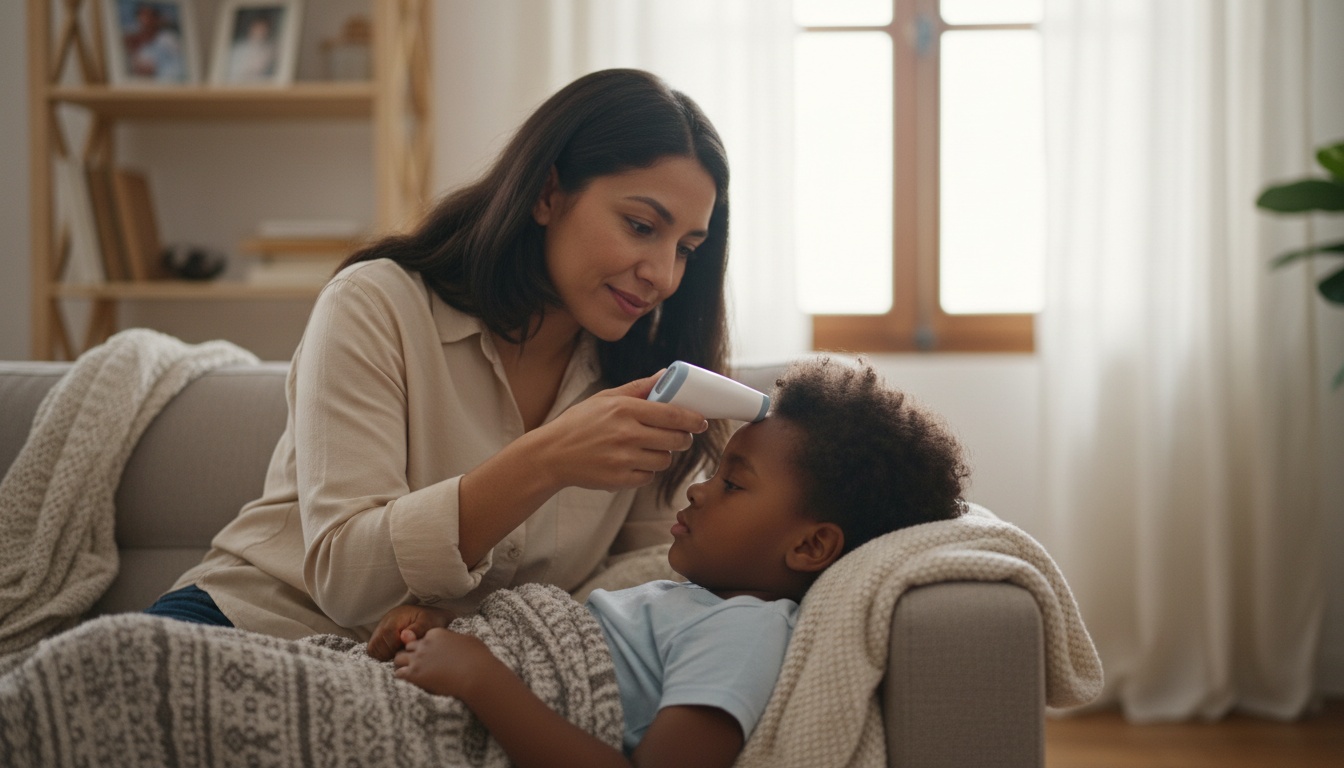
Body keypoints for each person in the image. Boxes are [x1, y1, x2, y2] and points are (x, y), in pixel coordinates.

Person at [144, 68, 734, 643]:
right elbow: (345, 580)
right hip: (256, 623)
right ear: (548, 194)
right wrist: (545, 461)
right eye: (639, 226)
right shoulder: (376, 305)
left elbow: (650, 579)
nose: (662, 274)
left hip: (444, 675)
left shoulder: (651, 376)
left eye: (686, 249)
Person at [379, 357, 971, 768]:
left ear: (811, 546)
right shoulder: (691, 602)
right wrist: (447, 635)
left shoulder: (744, 630)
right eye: (713, 473)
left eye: (733, 486)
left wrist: (482, 677)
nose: (698, 491)